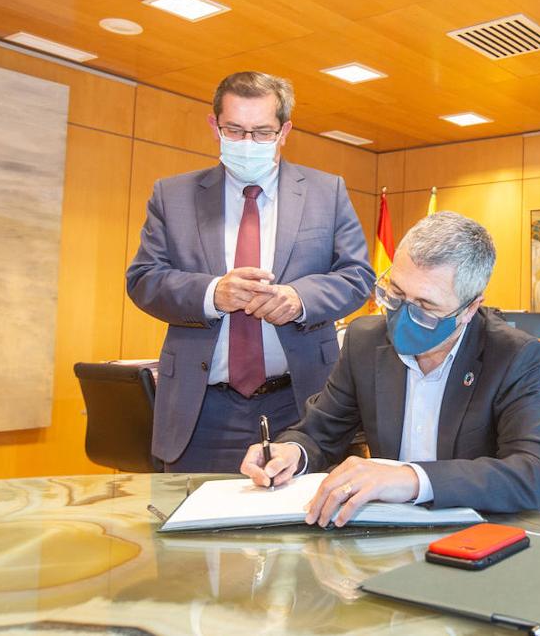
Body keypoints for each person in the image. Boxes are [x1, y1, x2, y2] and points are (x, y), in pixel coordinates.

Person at [240, 211, 540, 526]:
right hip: (384, 530)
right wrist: (291, 453)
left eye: (426, 307)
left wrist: (410, 479)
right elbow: (320, 432)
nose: (402, 316)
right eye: (395, 293)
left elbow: (534, 474)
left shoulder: (512, 355)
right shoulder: (365, 341)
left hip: (474, 534)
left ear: (470, 308)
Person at [126, 71, 374, 473]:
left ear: (284, 130)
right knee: (195, 531)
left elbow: (358, 276)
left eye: (261, 132)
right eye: (235, 131)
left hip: (303, 404)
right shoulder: (173, 196)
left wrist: (300, 300)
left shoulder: (327, 192)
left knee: (308, 533)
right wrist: (212, 294)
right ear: (214, 126)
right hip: (201, 410)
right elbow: (144, 279)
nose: (247, 143)